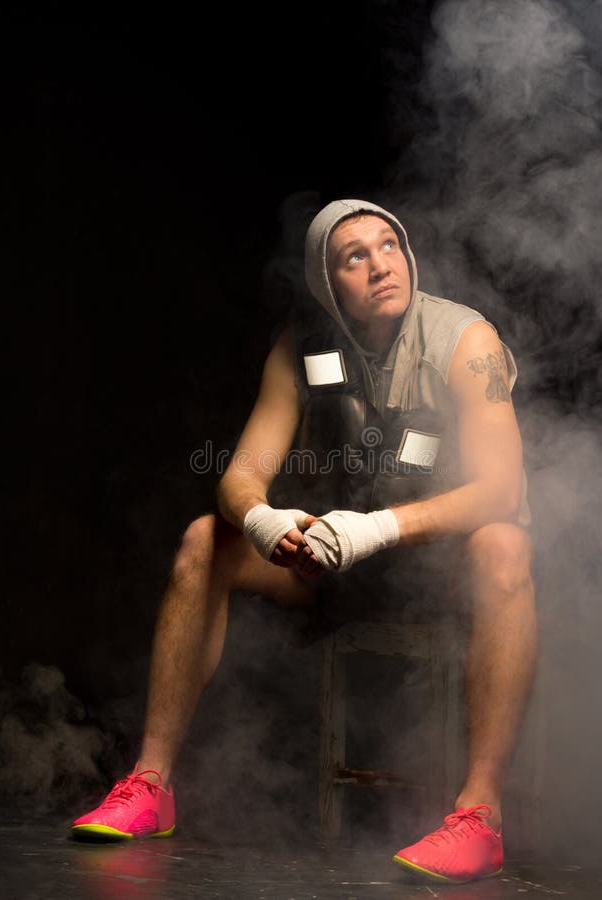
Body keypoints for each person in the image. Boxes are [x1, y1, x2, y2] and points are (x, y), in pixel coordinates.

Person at [71, 198, 537, 885]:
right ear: (328, 283)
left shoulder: (465, 341)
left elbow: (500, 489)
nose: (382, 264)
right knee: (207, 539)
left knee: (503, 545)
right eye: (356, 256)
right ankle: (150, 783)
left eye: (389, 245)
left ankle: (478, 817)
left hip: (435, 564)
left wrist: (375, 528)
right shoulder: (303, 347)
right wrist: (265, 521)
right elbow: (239, 478)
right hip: (333, 558)